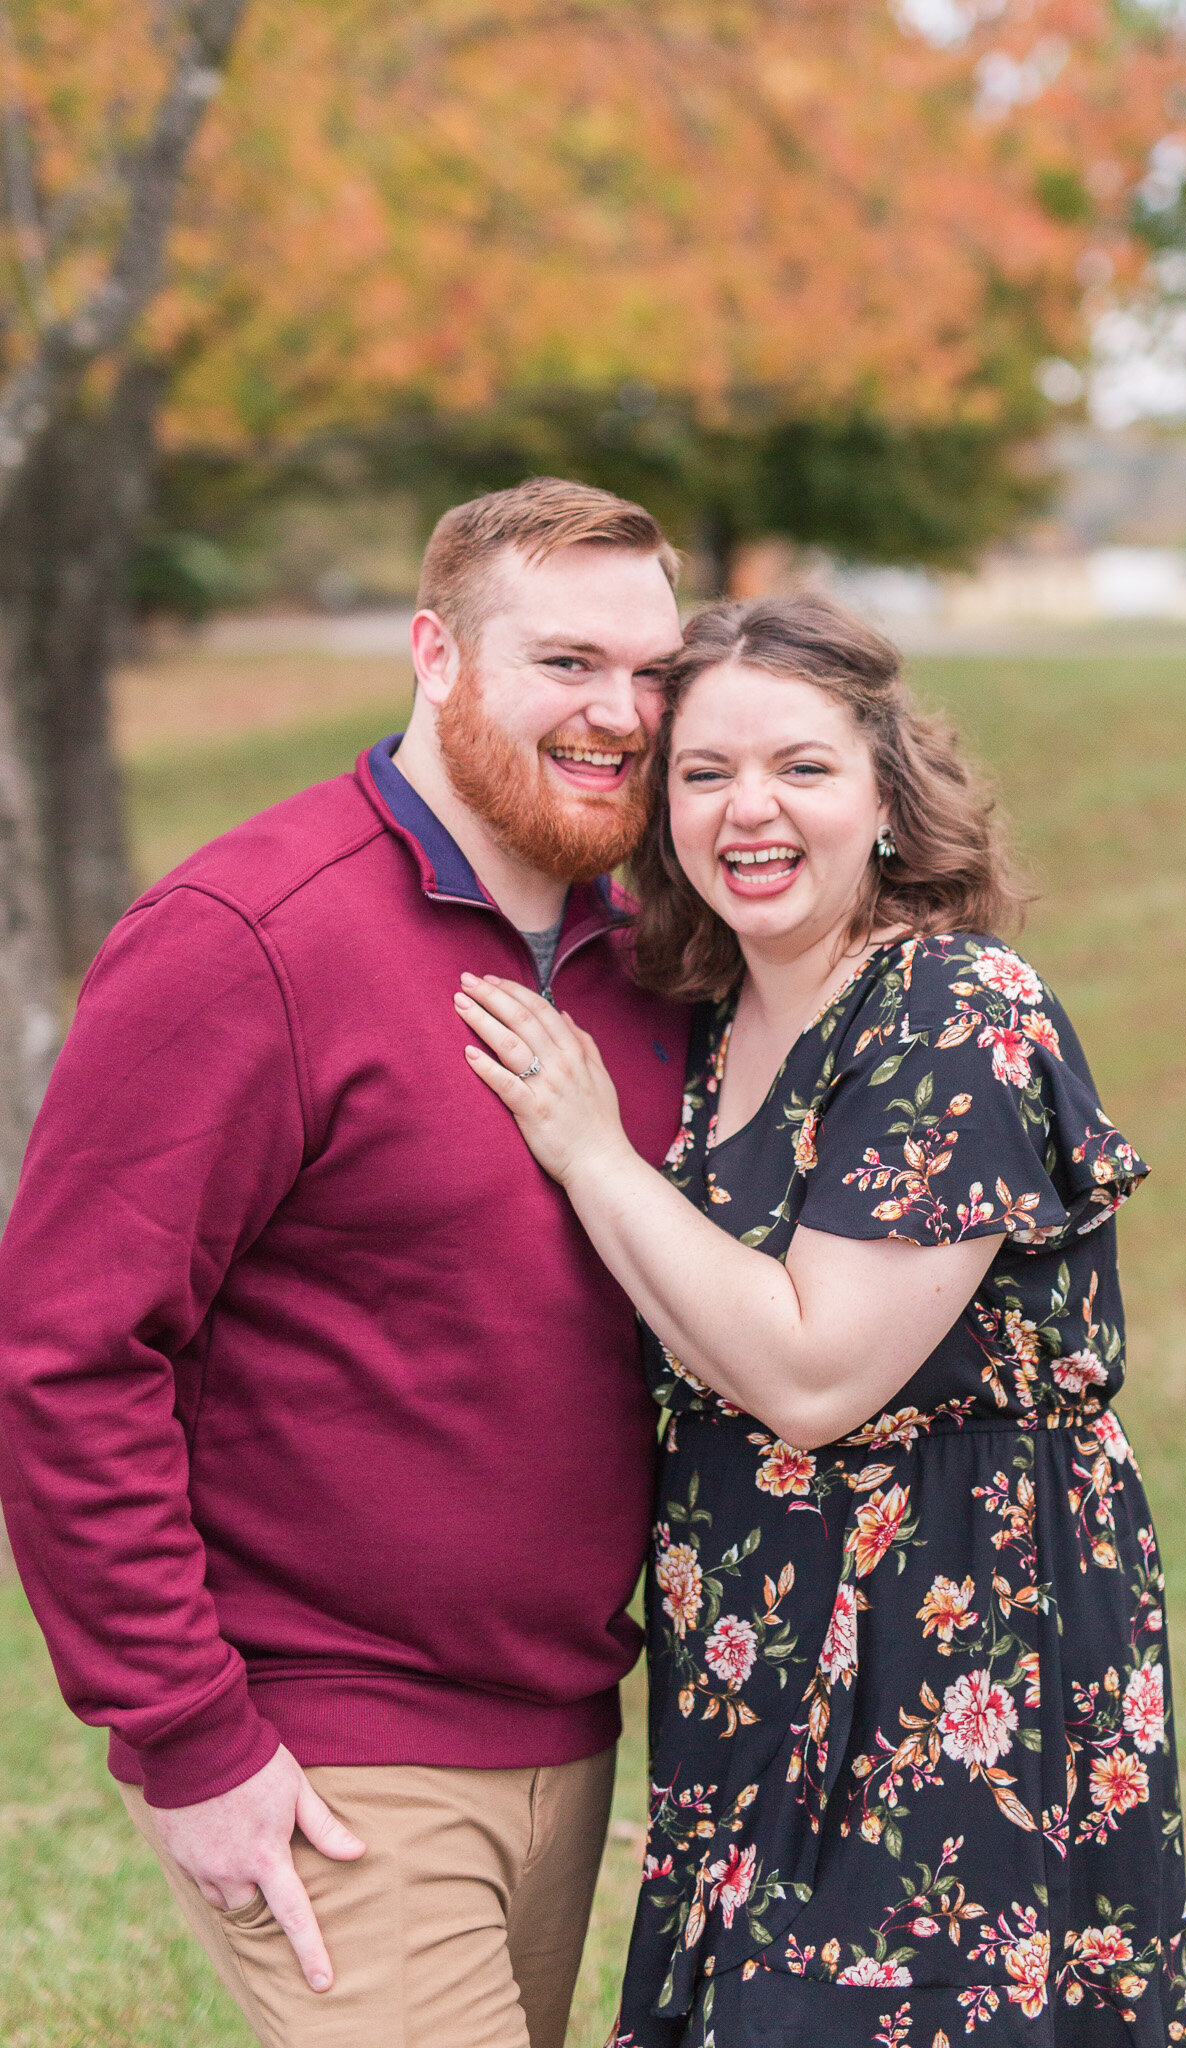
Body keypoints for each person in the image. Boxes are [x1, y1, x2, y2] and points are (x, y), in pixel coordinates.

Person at [458, 592, 1186, 2048]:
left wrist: (590, 1150)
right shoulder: (708, 1019)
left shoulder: (952, 1011)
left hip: (949, 1627)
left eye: (801, 767)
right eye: (704, 772)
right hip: (748, 1627)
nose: (752, 810)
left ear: (884, 793)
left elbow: (813, 1376)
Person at [0, 479, 690, 2048]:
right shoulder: (245, 937)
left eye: (652, 672)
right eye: (566, 664)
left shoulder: (650, 955)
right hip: (328, 1744)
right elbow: (67, 1352)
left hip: (572, 1728)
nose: (621, 713)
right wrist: (190, 1741)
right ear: (435, 655)